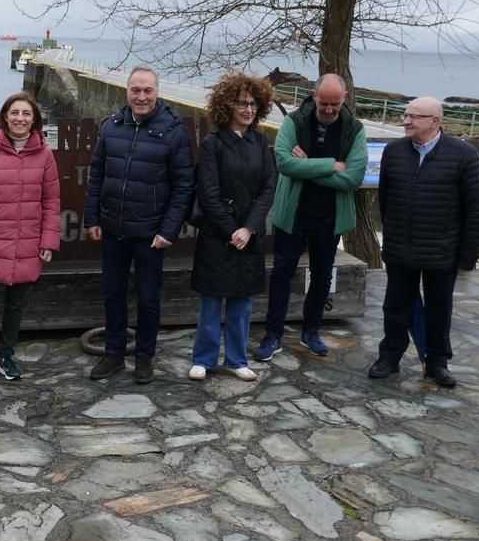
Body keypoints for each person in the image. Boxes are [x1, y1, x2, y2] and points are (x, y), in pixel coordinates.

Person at [85, 66, 195, 383]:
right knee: (113, 295)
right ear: (127, 91)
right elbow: (97, 175)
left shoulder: (174, 131)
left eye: (147, 90)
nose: (141, 96)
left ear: (156, 92)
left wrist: (168, 230)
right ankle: (114, 354)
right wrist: (92, 217)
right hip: (113, 229)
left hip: (150, 234)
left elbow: (183, 185)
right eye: (136, 90)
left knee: (148, 299)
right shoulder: (112, 126)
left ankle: (144, 356)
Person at [369, 96, 479, 387]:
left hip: (441, 251)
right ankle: (389, 357)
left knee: (439, 309)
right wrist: (394, 234)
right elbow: (385, 199)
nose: (406, 121)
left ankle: (437, 362)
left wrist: (466, 258)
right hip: (400, 248)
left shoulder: (463, 155)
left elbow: (477, 210)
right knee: (395, 306)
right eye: (406, 114)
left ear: (435, 121)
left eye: (414, 117)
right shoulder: (394, 152)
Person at [256, 73, 367, 361]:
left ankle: (311, 331)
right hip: (293, 214)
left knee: (321, 276)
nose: (329, 109)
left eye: (335, 103)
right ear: (314, 96)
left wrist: (309, 165)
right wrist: (332, 165)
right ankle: (273, 334)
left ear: (344, 98)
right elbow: (285, 163)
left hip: (330, 218)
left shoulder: (354, 129)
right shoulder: (294, 121)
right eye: (324, 104)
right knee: (281, 274)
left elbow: (353, 178)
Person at [0, 92, 61, 387]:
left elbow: (51, 202)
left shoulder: (45, 155)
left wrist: (47, 242)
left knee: (16, 306)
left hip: (28, 243)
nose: (20, 118)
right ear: (4, 116)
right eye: (15, 113)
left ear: (34, 119)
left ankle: (7, 357)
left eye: (26, 114)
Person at [189, 73, 277, 381]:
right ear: (228, 105)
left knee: (243, 300)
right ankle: (204, 358)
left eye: (253, 104)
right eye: (242, 103)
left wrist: (249, 229)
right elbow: (208, 194)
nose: (248, 109)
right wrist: (232, 230)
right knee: (212, 300)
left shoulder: (261, 143)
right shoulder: (213, 144)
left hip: (249, 236)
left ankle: (237, 359)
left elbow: (268, 189)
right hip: (218, 234)